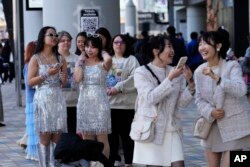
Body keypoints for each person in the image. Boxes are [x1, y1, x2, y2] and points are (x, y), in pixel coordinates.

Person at [133, 35, 195, 167]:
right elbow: (150, 98)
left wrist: (190, 83)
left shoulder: (174, 72)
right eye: (169, 46)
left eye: (172, 46)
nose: (172, 50)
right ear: (156, 51)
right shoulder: (141, 72)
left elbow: (181, 103)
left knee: (179, 165)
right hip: (152, 130)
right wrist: (170, 79)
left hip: (172, 129)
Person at [194, 31, 250, 167]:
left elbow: (241, 90)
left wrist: (217, 78)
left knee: (238, 162)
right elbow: (199, 99)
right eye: (200, 43)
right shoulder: (199, 71)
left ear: (218, 46)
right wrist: (210, 111)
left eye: (206, 43)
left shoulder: (232, 66)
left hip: (235, 129)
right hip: (211, 129)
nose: (202, 47)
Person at [28, 26, 68, 166]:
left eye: (55, 35)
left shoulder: (61, 58)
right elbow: (30, 82)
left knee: (57, 137)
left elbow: (64, 82)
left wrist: (63, 78)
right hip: (43, 98)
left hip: (57, 98)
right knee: (44, 138)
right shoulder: (36, 58)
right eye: (50, 34)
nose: (54, 37)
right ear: (43, 37)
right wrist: (47, 74)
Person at [74, 34, 112, 158]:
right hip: (84, 102)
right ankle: (90, 163)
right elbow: (77, 79)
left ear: (99, 48)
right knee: (87, 138)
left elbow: (108, 59)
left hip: (100, 102)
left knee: (102, 138)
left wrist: (102, 50)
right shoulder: (81, 63)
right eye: (87, 46)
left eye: (93, 47)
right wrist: (81, 59)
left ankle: (103, 164)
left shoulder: (103, 62)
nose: (89, 50)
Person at [106, 34, 140, 167]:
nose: (118, 45)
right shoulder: (108, 60)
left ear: (126, 45)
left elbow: (135, 79)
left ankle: (128, 162)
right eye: (116, 42)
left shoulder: (132, 60)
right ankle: (114, 160)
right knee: (112, 136)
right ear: (112, 45)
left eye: (121, 42)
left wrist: (118, 88)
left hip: (127, 106)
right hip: (110, 105)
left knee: (127, 137)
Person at [58, 31, 79, 134]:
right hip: (57, 102)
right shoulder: (53, 58)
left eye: (68, 40)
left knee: (72, 132)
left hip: (74, 102)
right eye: (63, 41)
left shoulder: (77, 59)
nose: (66, 43)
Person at [23, 41, 39, 161]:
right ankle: (34, 152)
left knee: (33, 127)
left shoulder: (27, 64)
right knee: (34, 127)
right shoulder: (30, 65)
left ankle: (33, 152)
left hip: (31, 100)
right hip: (33, 100)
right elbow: (30, 84)